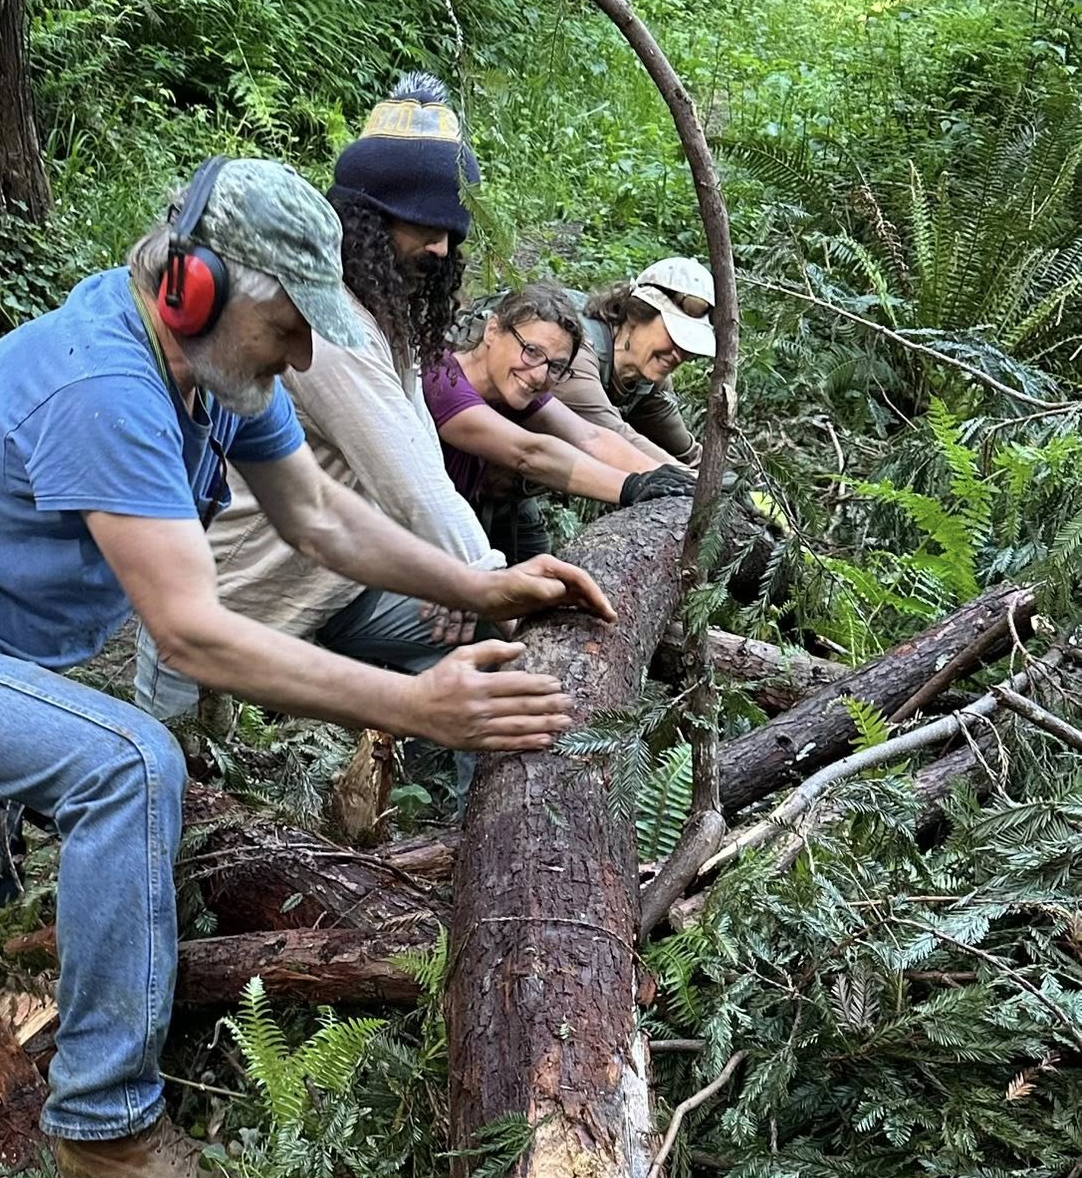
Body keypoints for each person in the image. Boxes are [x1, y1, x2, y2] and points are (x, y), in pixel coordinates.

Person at [0, 157, 612, 1178]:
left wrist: (477, 579)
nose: (304, 351)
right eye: (288, 324)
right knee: (127, 763)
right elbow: (193, 630)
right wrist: (415, 705)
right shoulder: (106, 385)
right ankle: (105, 1129)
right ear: (196, 285)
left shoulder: (222, 377)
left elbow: (318, 516)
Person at [135, 74, 503, 725]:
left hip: (330, 585)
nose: (443, 247)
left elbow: (398, 458)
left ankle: (464, 814)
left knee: (493, 654)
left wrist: (464, 577)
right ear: (367, 220)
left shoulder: (388, 317)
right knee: (171, 781)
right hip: (232, 604)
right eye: (425, 225)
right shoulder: (328, 332)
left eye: (452, 229)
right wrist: (475, 574)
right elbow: (411, 485)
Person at [424, 281, 694, 561]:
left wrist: (686, 483)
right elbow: (528, 453)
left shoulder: (514, 385)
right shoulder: (442, 380)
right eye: (531, 351)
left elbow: (591, 437)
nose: (539, 375)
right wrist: (632, 486)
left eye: (555, 367)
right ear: (493, 330)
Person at [551, 257, 716, 467]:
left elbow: (688, 455)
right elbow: (611, 437)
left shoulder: (647, 383)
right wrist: (695, 483)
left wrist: (731, 482)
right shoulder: (575, 349)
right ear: (636, 314)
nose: (680, 354)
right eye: (674, 336)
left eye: (689, 345)